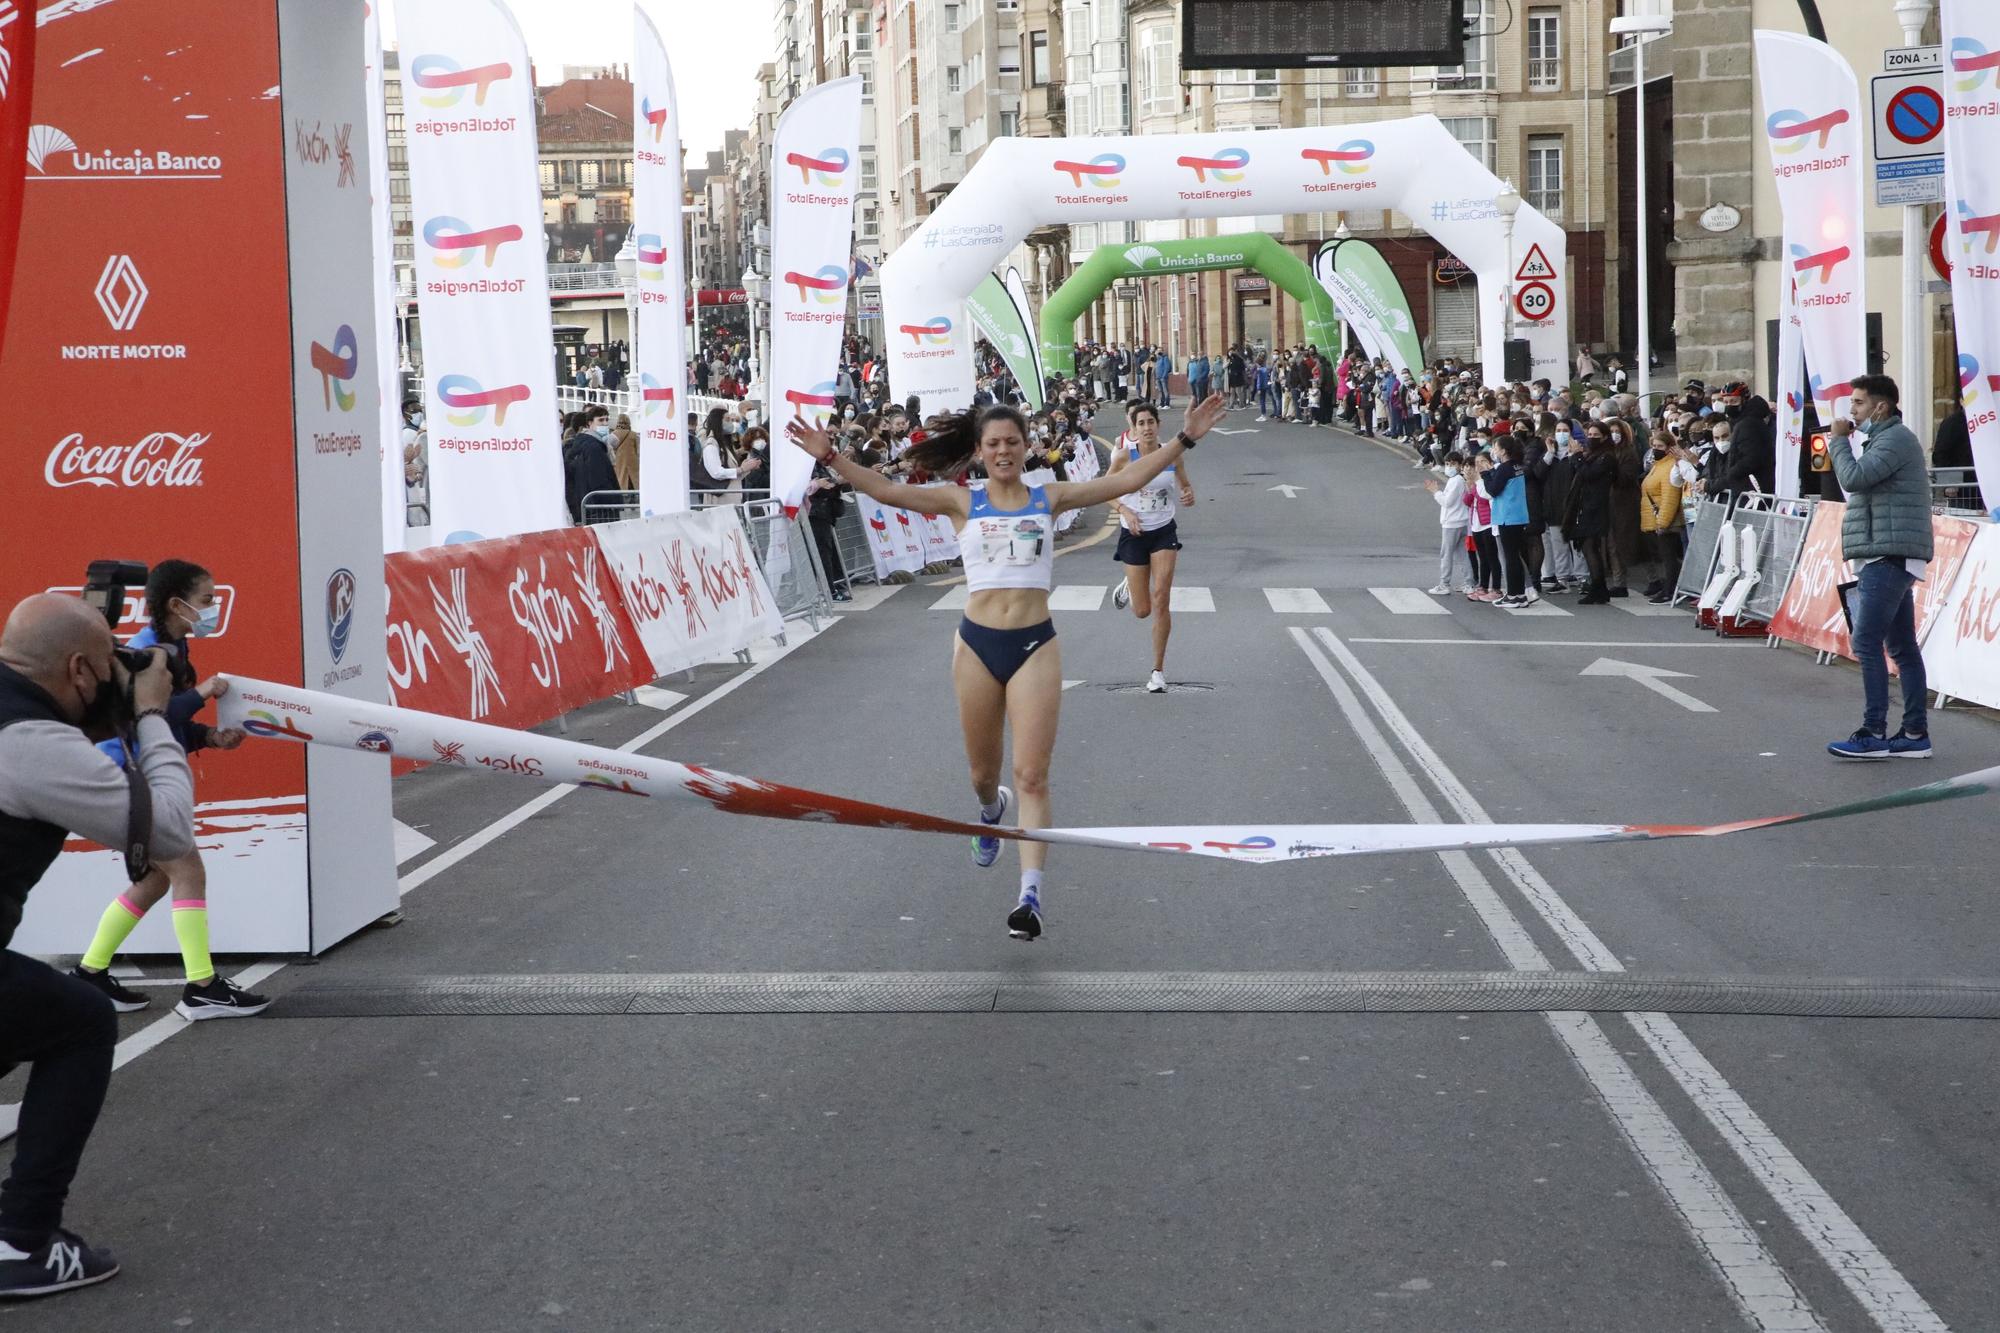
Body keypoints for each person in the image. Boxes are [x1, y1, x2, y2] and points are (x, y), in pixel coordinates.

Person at [785, 394, 1227, 940]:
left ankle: (1030, 896)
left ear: (1026, 448)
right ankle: (991, 812)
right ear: (978, 451)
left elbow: (1122, 482)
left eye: (1012, 443)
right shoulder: (960, 500)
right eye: (993, 444)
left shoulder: (1049, 495)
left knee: (1033, 774)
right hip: (976, 646)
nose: (1003, 452)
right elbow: (885, 490)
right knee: (983, 776)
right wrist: (832, 458)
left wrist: (1185, 440)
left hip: (1035, 646)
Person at [0, 594, 196, 1297]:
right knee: (81, 1019)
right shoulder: (30, 742)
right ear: (80, 669)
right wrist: (151, 713)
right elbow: (168, 829)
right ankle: (21, 1240)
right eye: (110, 663)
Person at [68, 562, 264, 1020]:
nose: (214, 608)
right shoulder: (145, 651)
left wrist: (210, 738)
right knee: (188, 869)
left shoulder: (175, 645)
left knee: (156, 878)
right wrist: (206, 693)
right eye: (208, 600)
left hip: (140, 778)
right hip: (131, 781)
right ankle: (202, 987)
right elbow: (146, 712)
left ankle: (91, 973)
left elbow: (165, 724)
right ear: (178, 605)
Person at [1825, 375, 1935, 760]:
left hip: (1887, 555)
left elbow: (1853, 478)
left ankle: (1874, 731)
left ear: (1880, 407)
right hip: (1887, 552)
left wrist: (1838, 440)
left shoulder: (1894, 439)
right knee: (1901, 646)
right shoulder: (1884, 439)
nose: (1850, 410)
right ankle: (1914, 733)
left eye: (1857, 403)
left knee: (1866, 642)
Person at [1104, 402, 1198, 692]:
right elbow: (1105, 489)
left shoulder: (1173, 455)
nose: (1146, 428)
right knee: (1142, 610)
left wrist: (1187, 494)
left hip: (1163, 532)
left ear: (1158, 425)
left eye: (1150, 422)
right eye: (1140, 423)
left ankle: (1158, 671)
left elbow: (1184, 486)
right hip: (1133, 534)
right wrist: (1125, 510)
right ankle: (1131, 587)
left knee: (1162, 598)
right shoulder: (1124, 457)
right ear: (1133, 428)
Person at [563, 406, 620, 523]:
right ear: (589, 423)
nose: (605, 423)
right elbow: (598, 478)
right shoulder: (593, 447)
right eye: (600, 420)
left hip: (590, 505)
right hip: (599, 507)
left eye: (606, 420)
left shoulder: (586, 443)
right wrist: (613, 500)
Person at [1424, 451, 1471, 595]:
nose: (1449, 467)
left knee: (1446, 554)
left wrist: (1435, 492)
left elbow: (1447, 502)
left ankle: (1444, 584)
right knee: (1463, 554)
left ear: (1459, 465)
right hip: (1461, 521)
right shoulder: (1459, 480)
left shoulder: (1456, 481)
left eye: (1453, 464)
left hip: (1452, 523)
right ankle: (1470, 583)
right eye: (1447, 464)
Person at [609, 412, 640, 494]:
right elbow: (638, 451)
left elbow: (609, 449)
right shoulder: (634, 435)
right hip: (633, 466)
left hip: (619, 465)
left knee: (621, 485)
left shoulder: (613, 435)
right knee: (634, 487)